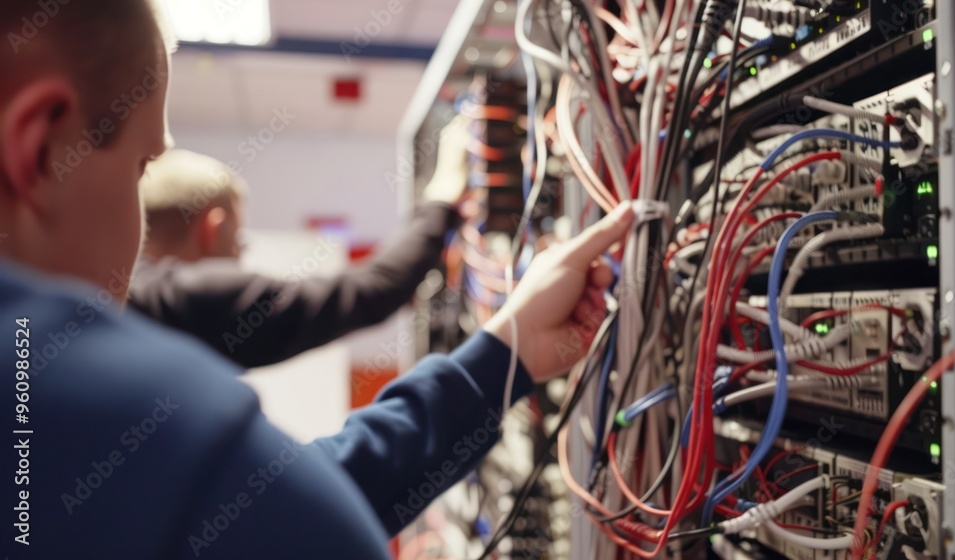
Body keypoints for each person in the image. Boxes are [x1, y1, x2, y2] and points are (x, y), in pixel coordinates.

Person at [0, 1, 634, 558]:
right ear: (39, 147)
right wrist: (443, 213)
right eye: (140, 166)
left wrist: (505, 350)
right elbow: (299, 522)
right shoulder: (98, 391)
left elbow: (259, 511)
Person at [130, 132, 468, 368]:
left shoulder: (119, 293)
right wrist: (440, 197)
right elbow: (371, 290)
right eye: (238, 241)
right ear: (212, 228)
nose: (239, 256)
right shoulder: (189, 298)